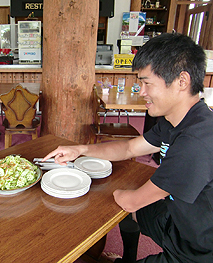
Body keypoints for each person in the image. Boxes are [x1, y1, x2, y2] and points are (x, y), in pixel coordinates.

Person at [43, 33, 213, 263]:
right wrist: (80, 149)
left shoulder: (195, 141)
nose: (141, 91)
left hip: (197, 251)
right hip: (177, 220)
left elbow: (131, 201)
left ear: (182, 81)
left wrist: (114, 194)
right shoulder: (180, 119)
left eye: (146, 83)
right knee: (127, 210)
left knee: (122, 203)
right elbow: (130, 149)